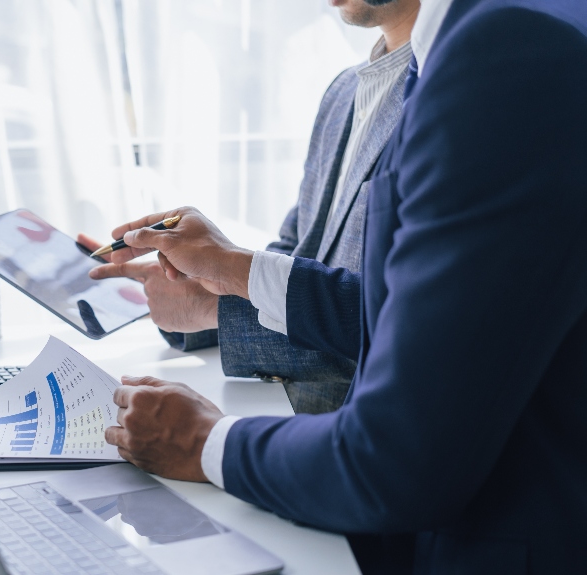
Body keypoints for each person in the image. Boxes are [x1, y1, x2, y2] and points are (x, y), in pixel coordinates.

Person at [100, 0, 587, 572]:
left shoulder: (501, 58)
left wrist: (202, 440)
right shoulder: (413, 68)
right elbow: (369, 292)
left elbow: (398, 451)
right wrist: (225, 278)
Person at [81, 0, 421, 414]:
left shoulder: (455, 102)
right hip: (287, 415)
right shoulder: (344, 91)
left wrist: (218, 304)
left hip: (363, 430)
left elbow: (403, 325)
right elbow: (297, 251)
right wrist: (203, 285)